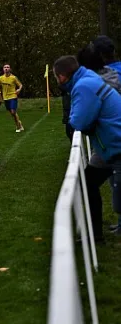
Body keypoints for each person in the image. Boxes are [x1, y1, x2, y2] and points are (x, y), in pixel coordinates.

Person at [53, 55, 121, 242]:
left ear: (63, 76)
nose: (58, 82)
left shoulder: (83, 86)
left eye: (57, 78)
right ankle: (95, 235)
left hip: (116, 145)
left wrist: (72, 122)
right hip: (108, 147)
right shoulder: (87, 79)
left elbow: (79, 121)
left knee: (118, 203)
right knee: (87, 184)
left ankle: (95, 235)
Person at [78, 40, 121, 234]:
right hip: (108, 139)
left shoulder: (96, 79)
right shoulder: (109, 72)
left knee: (115, 182)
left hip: (114, 137)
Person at [0, 64, 24, 132]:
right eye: (5, 67)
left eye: (8, 67)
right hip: (5, 98)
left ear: (10, 69)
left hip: (13, 96)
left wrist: (19, 90)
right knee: (13, 113)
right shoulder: (1, 78)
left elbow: (20, 85)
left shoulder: (13, 78)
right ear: (3, 69)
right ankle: (19, 124)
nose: (6, 68)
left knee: (13, 112)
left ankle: (18, 127)